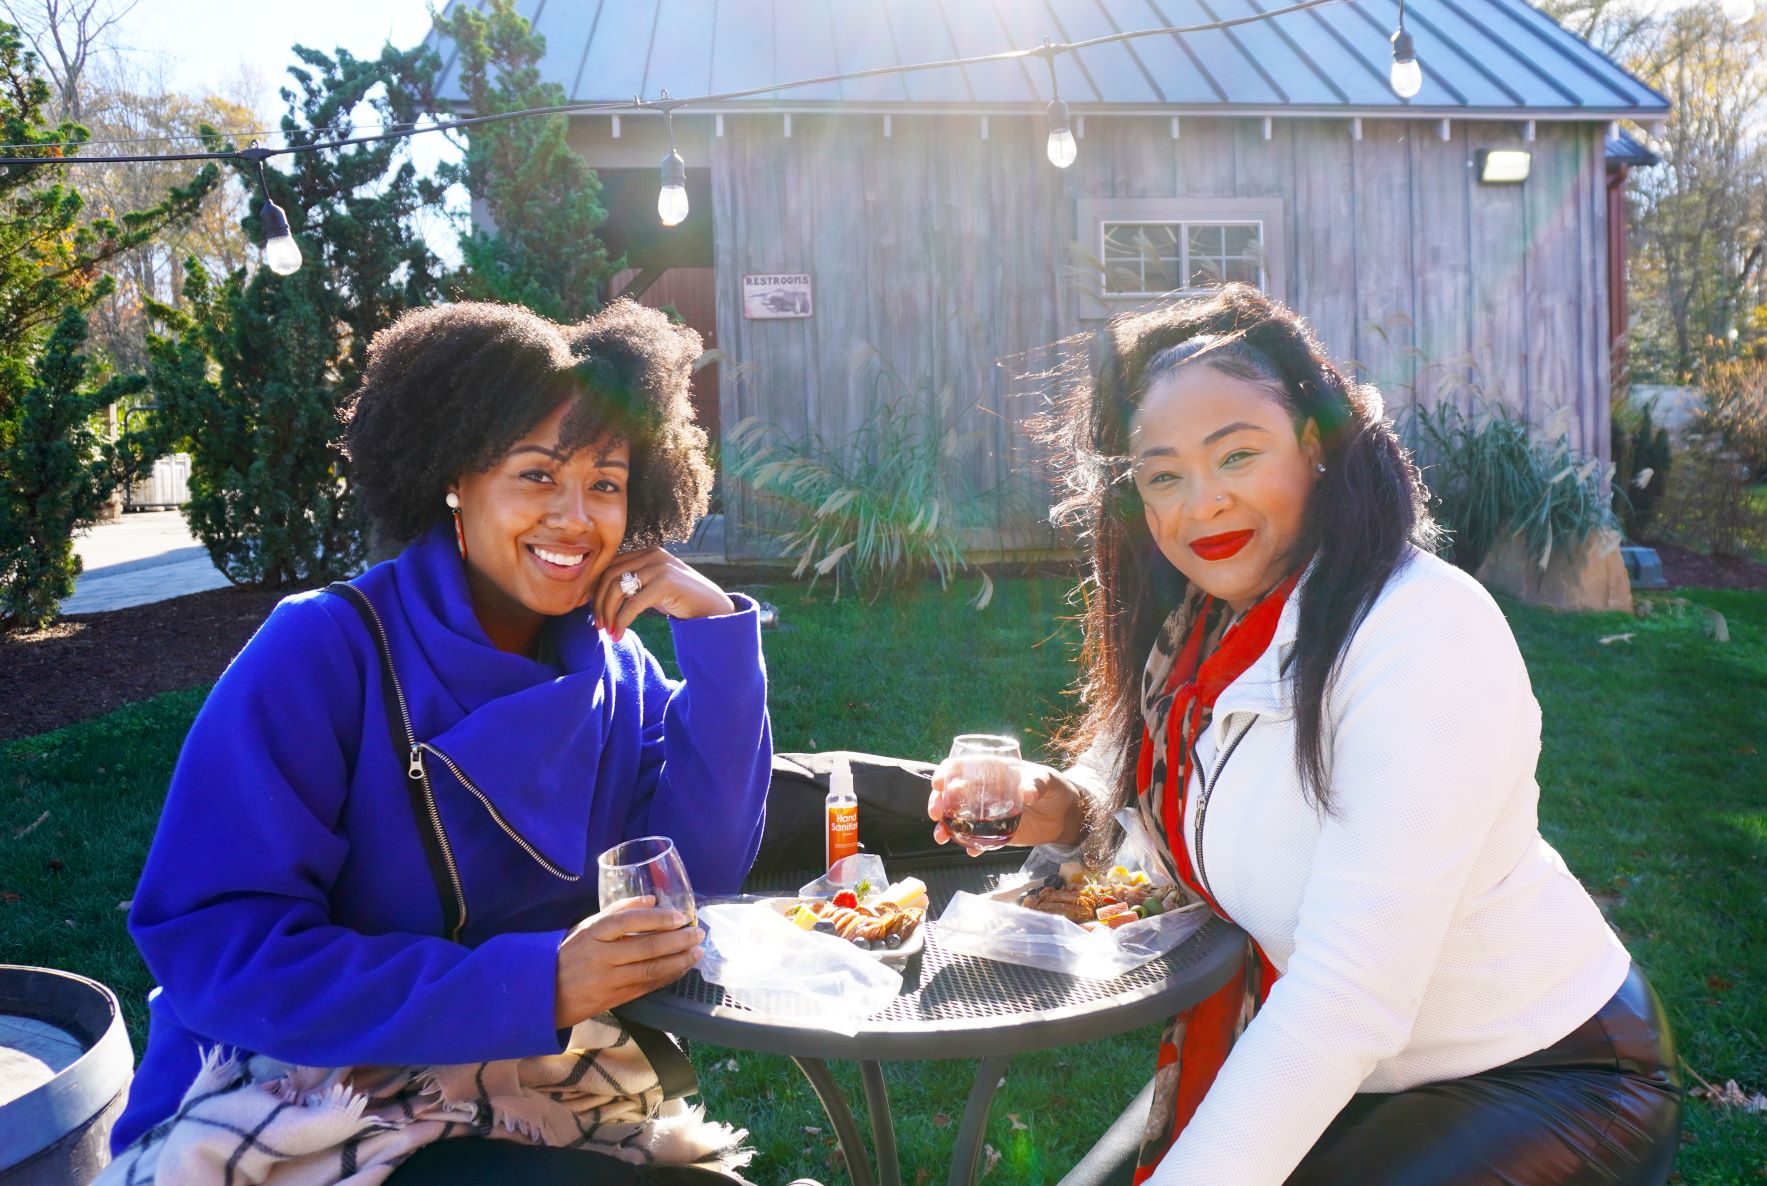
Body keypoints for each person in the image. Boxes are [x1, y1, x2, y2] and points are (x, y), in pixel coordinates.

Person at [928, 285, 1681, 1186]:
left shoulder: (1421, 632)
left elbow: (1346, 994)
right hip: (1327, 1061)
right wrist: (1061, 806)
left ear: (1316, 447)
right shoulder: (1201, 632)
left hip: (1539, 1074)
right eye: (1162, 474)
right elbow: (1155, 805)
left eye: (1236, 455)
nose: (1199, 503)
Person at [110, 300, 784, 1184]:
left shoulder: (614, 669)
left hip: (526, 1093)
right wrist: (532, 985)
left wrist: (718, 640)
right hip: (296, 1101)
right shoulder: (325, 647)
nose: (577, 518)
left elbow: (694, 882)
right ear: (454, 479)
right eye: (537, 475)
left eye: (606, 483)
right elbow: (222, 949)